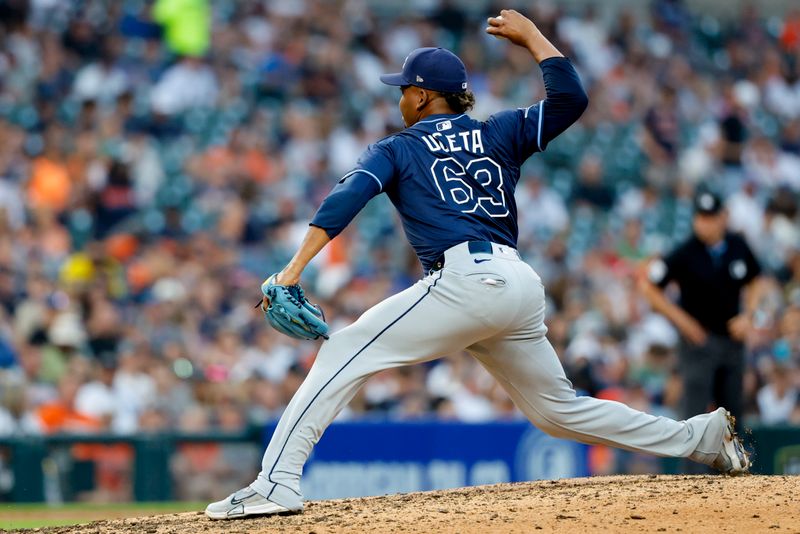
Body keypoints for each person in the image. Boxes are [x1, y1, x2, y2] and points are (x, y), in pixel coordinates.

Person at [206, 10, 749, 520]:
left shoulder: (396, 148)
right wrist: (535, 37)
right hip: (517, 282)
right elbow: (571, 99)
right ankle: (697, 438)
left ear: (421, 96)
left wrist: (293, 268)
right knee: (557, 411)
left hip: (464, 281)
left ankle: (275, 483)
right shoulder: (499, 130)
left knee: (343, 351)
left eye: (404, 90)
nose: (400, 99)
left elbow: (345, 199)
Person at [639, 189, 765, 452]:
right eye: (700, 217)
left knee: (733, 414)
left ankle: (734, 480)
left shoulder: (737, 245)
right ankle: (692, 481)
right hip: (698, 344)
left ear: (723, 217)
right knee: (695, 415)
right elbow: (649, 286)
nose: (704, 223)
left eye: (710, 217)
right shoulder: (685, 252)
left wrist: (748, 316)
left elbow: (755, 279)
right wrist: (683, 321)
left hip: (732, 341)